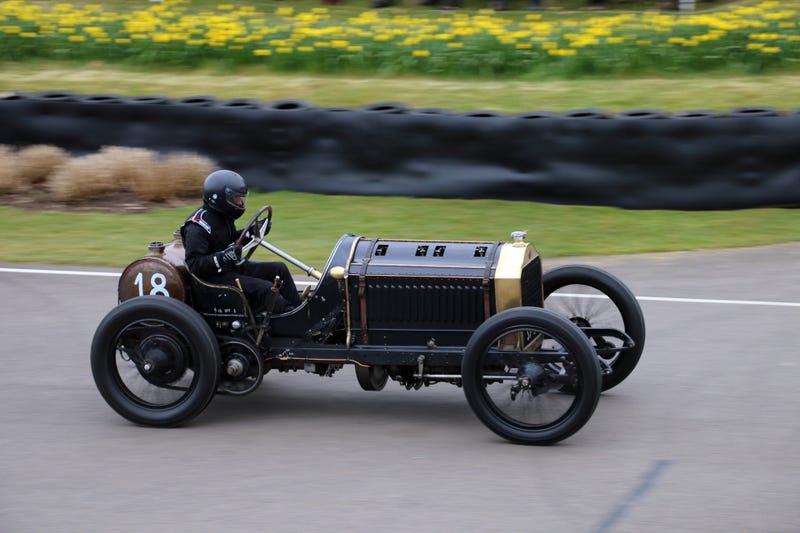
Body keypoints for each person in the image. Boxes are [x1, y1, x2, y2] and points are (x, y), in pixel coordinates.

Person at [181, 169, 301, 314]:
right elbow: (194, 265)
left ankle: (299, 309)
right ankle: (291, 322)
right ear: (219, 197)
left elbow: (228, 241)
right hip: (214, 280)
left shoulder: (222, 216)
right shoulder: (198, 226)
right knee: (266, 288)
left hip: (231, 268)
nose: (240, 202)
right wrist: (223, 257)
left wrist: (252, 232)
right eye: (236, 198)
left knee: (279, 268)